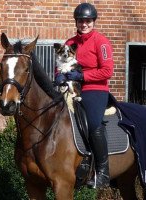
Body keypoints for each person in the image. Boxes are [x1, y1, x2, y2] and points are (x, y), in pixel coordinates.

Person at [55, 2, 114, 188]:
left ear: (93, 22)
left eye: (88, 21)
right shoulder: (69, 43)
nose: (84, 24)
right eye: (81, 21)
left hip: (95, 89)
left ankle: (103, 172)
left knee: (93, 123)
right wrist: (58, 77)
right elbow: (60, 65)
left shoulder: (101, 42)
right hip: (70, 87)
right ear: (76, 22)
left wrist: (83, 75)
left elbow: (107, 71)